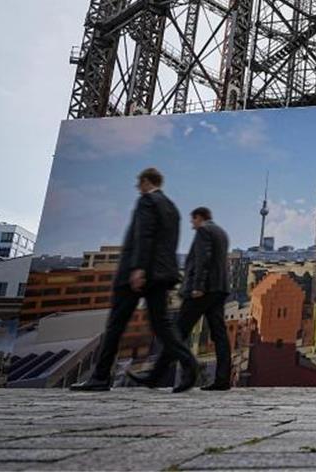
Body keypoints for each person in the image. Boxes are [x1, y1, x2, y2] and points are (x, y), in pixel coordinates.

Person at [70, 168, 199, 392]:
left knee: (116, 325)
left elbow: (143, 235)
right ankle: (189, 362)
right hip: (160, 274)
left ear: (147, 182)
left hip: (137, 274)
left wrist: (138, 268)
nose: (137, 187)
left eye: (139, 183)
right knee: (162, 325)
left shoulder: (147, 201)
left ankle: (100, 377)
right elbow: (168, 243)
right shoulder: (171, 207)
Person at [130, 206, 232, 391]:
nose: (192, 224)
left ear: (199, 217)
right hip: (219, 289)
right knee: (220, 335)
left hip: (203, 291)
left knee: (177, 333)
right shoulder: (221, 232)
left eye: (193, 220)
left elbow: (203, 259)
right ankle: (223, 379)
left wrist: (198, 286)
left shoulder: (204, 230)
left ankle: (159, 376)